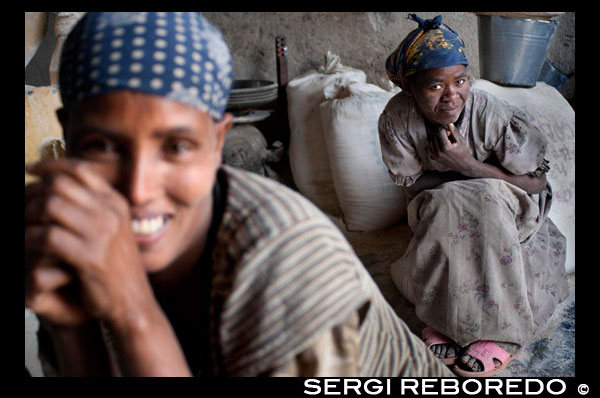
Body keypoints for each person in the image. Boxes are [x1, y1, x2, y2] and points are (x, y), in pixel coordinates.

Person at [25, 12, 453, 377]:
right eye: (102, 146)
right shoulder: (69, 237)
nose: (138, 190)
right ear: (67, 134)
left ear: (216, 143)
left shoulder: (287, 260)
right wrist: (72, 327)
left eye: (176, 147)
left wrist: (131, 313)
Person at [378, 14, 570, 377]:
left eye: (461, 81)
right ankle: (447, 321)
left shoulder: (491, 113)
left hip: (513, 211)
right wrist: (458, 182)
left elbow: (535, 184)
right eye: (435, 86)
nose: (452, 96)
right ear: (409, 89)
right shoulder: (397, 119)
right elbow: (411, 189)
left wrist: (465, 164)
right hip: (440, 213)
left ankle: (503, 334)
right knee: (454, 202)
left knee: (483, 196)